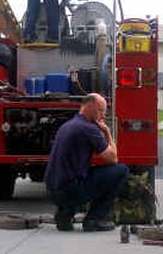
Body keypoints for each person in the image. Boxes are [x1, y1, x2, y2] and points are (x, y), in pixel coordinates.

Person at [44, 93, 129, 231]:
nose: (103, 115)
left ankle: (65, 215)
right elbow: (113, 158)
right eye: (100, 110)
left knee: (82, 173)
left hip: (52, 190)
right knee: (121, 170)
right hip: (69, 192)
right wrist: (107, 132)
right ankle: (94, 219)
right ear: (89, 106)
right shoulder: (88, 128)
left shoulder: (68, 125)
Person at [24, 0, 93, 43]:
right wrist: (76, 15)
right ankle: (52, 37)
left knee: (33, 9)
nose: (80, 0)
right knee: (53, 11)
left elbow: (64, 3)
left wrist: (63, 6)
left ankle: (28, 35)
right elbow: (65, 2)